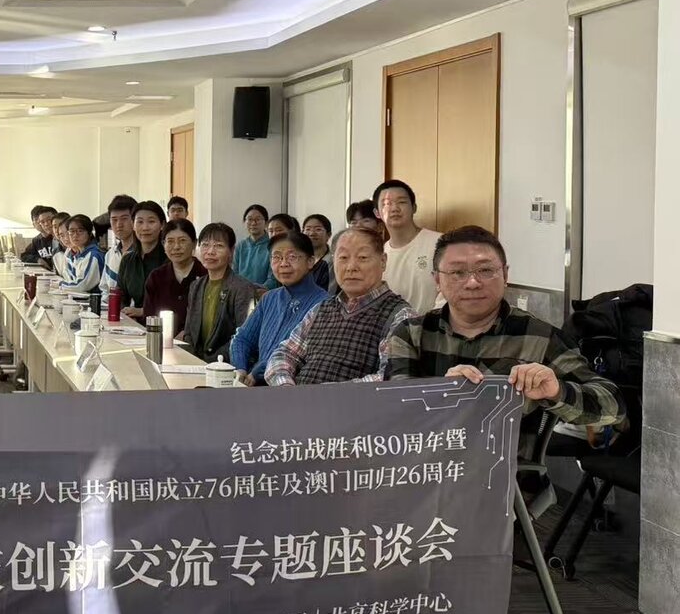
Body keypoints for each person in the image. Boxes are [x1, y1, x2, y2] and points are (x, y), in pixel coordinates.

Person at [386, 225, 624, 428]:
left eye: (485, 270)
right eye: (457, 272)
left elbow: (614, 408)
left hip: (514, 468)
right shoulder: (411, 334)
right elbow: (391, 412)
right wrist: (441, 393)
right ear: (437, 280)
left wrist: (557, 391)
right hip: (429, 465)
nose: (472, 283)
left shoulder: (539, 337)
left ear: (505, 275)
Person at [266, 226, 417, 386]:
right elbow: (285, 353)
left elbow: (392, 377)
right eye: (343, 257)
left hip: (354, 401)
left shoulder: (400, 315)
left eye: (362, 257)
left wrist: (331, 393)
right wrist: (285, 385)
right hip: (299, 396)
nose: (351, 267)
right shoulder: (321, 309)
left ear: (383, 261)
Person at [230, 230, 329, 385]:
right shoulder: (270, 298)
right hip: (254, 385)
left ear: (310, 261)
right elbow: (242, 338)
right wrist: (240, 368)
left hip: (290, 388)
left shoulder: (324, 304)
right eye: (276, 257)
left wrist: (257, 372)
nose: (283, 264)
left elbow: (299, 355)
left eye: (292, 257)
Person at [180, 222, 261, 362]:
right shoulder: (196, 286)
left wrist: (212, 361)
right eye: (205, 245)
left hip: (226, 364)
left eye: (218, 246)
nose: (210, 251)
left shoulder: (243, 288)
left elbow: (245, 336)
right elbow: (189, 332)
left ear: (231, 251)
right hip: (196, 363)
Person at [375, 179, 444, 313]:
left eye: (402, 202)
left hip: (432, 323)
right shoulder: (379, 255)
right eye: (386, 203)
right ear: (377, 213)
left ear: (414, 207)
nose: (394, 208)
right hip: (394, 326)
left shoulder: (439, 243)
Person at [142, 218, 203, 327]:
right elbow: (149, 317)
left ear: (194, 243)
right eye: (170, 241)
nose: (176, 247)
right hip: (160, 336)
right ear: (163, 244)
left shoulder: (205, 275)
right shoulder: (156, 277)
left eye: (182, 240)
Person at [116, 200, 168, 318]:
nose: (145, 228)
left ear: (162, 225)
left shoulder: (169, 260)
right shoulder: (127, 260)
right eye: (140, 222)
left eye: (151, 221)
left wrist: (143, 311)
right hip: (132, 323)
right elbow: (120, 296)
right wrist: (125, 313)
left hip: (162, 323)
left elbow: (173, 302)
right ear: (133, 225)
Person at [56, 214, 104, 293]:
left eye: (80, 231)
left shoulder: (94, 254)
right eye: (71, 231)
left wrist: (60, 284)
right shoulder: (78, 253)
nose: (75, 235)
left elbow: (81, 286)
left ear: (89, 233)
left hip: (93, 299)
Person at [101, 195, 137, 297]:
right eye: (114, 219)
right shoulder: (110, 254)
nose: (119, 224)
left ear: (134, 219)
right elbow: (105, 290)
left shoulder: (142, 253)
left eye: (124, 219)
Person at [234, 204, 272, 286]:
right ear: (245, 222)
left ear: (266, 223)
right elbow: (234, 273)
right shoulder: (240, 246)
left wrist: (258, 290)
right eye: (250, 219)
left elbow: (272, 279)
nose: (253, 223)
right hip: (241, 291)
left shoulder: (272, 245)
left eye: (258, 219)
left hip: (265, 292)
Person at [302, 213, 334, 292]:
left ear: (328, 235)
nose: (312, 233)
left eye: (318, 229)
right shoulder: (299, 259)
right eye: (308, 229)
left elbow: (329, 294)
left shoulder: (331, 262)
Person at [20, 205, 59, 269]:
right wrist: (37, 259)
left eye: (49, 219)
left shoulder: (59, 239)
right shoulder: (36, 240)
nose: (46, 224)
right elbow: (24, 255)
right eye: (42, 221)